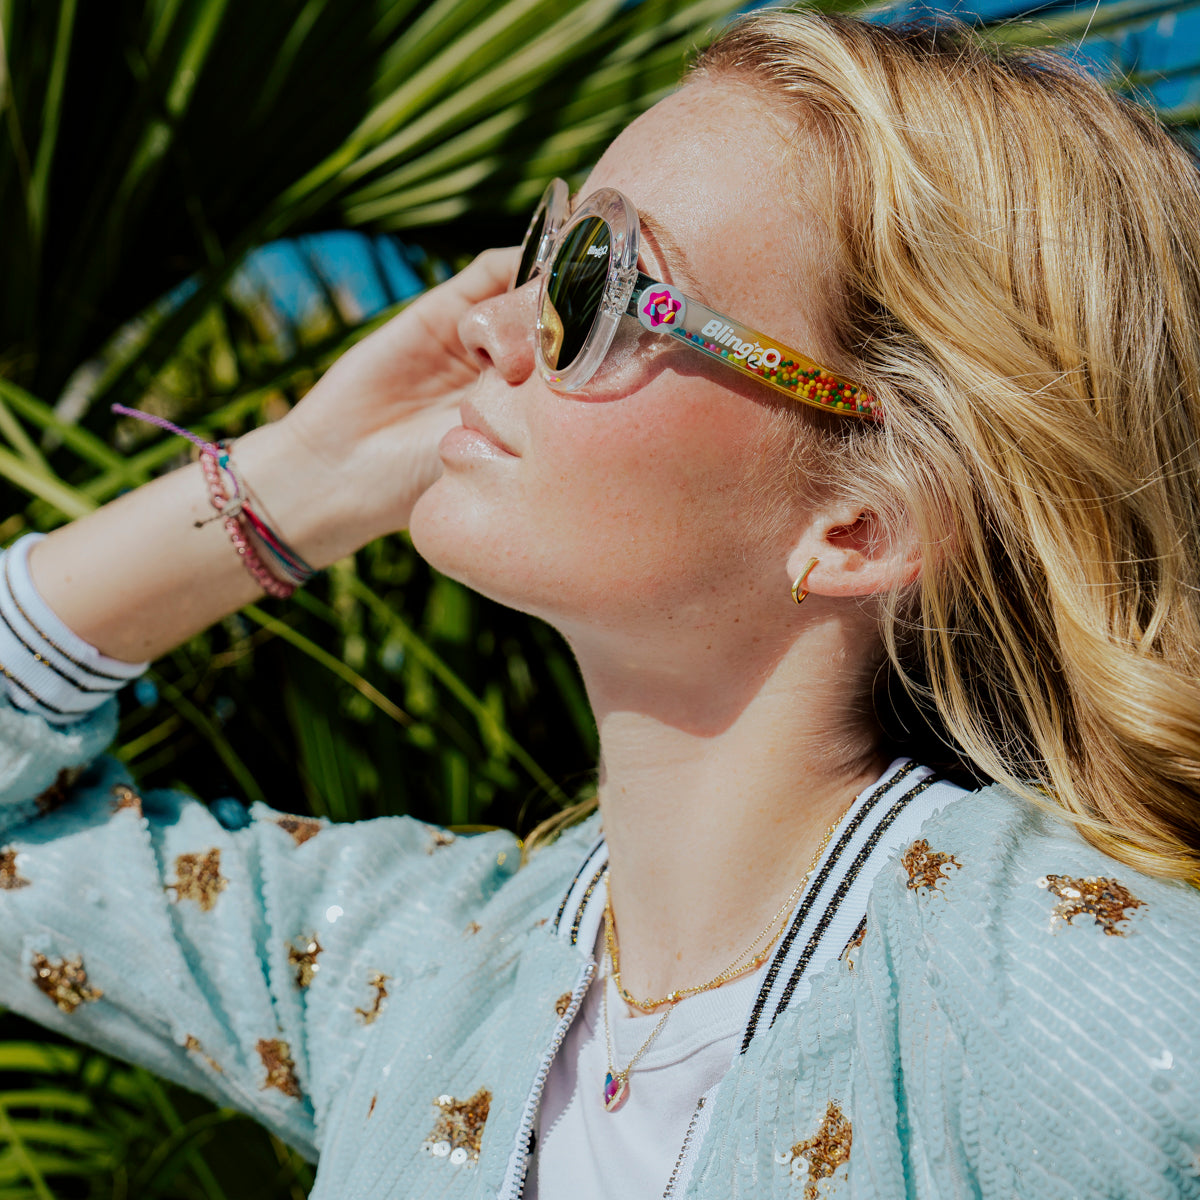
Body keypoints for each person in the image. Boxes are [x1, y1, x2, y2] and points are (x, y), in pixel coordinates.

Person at [2, 9, 1199, 1198]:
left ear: (861, 524)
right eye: (545, 249)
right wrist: (301, 480)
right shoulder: (424, 975)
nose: (488, 325)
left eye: (602, 279)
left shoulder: (1074, 990)